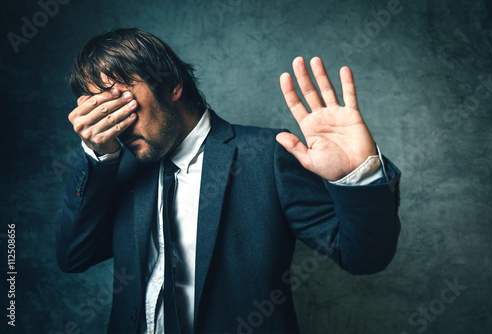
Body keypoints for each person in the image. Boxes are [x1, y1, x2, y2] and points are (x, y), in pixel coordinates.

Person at [56, 28, 401, 334]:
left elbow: (363, 257)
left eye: (118, 101)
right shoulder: (118, 168)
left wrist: (359, 176)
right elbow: (73, 256)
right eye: (98, 108)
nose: (113, 121)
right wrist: (96, 155)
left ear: (172, 84)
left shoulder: (266, 155)